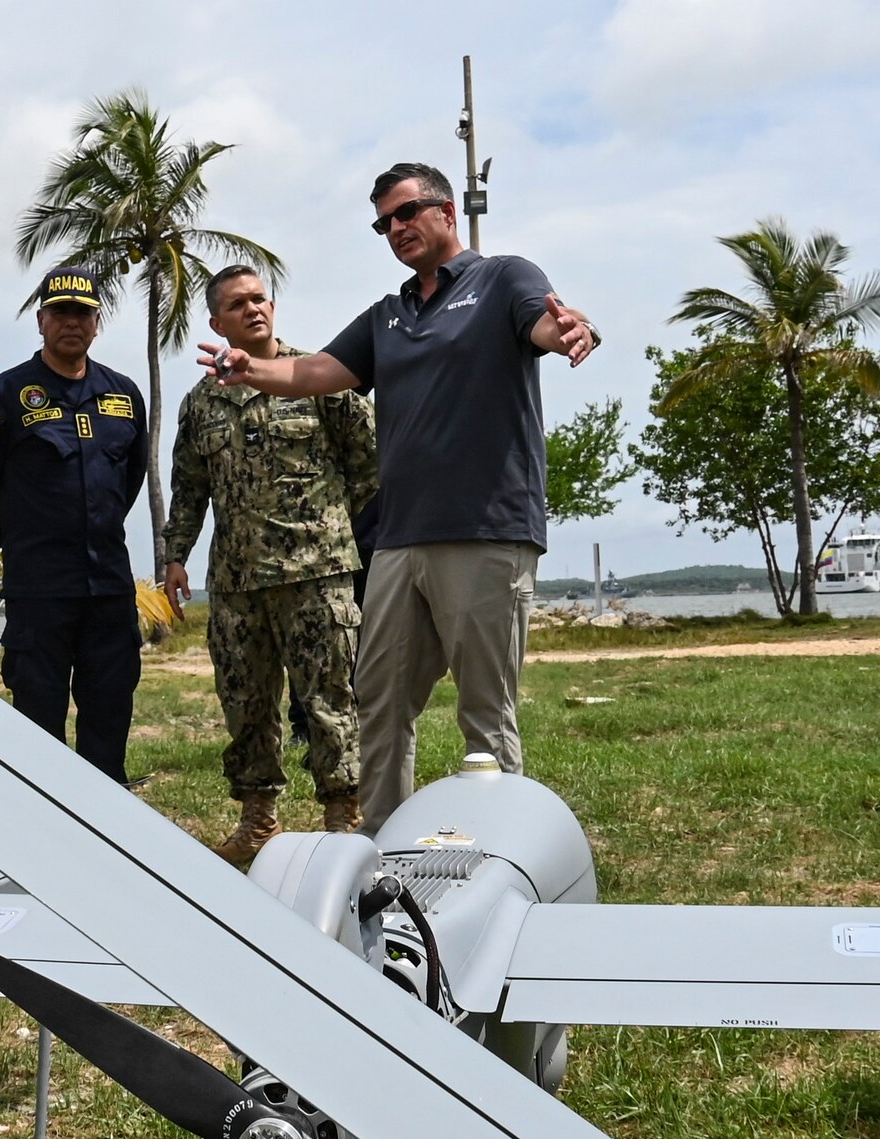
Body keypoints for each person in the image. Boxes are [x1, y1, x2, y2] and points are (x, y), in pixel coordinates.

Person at [197, 162, 599, 830]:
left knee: (484, 710)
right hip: (399, 540)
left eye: (407, 212)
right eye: (384, 222)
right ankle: (381, 850)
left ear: (446, 210)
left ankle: (498, 848)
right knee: (376, 699)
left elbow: (546, 324)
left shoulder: (504, 279)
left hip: (485, 531)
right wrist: (254, 369)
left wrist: (570, 332)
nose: (396, 228)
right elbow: (320, 370)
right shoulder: (389, 315)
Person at [162, 265, 376, 862]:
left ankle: (343, 820)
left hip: (316, 573)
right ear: (216, 323)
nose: (253, 309)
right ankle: (258, 822)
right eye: (237, 304)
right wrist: (175, 555)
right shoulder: (202, 402)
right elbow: (189, 486)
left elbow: (368, 463)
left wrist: (325, 524)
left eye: (260, 299)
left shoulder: (322, 378)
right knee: (246, 703)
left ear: (273, 308)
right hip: (235, 581)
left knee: (329, 701)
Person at [0, 266, 147, 785]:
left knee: (109, 706)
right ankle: (42, 824)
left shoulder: (124, 394)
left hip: (108, 585)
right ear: (41, 320)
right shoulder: (4, 396)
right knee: (38, 712)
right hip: (40, 587)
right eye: (60, 312)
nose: (72, 322)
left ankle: (108, 817)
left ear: (96, 322)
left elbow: (130, 478)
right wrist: (21, 541)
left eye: (82, 313)